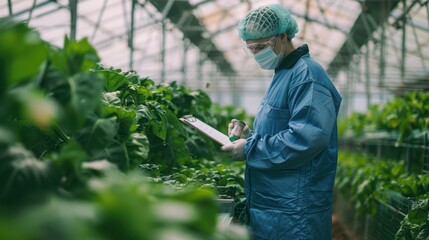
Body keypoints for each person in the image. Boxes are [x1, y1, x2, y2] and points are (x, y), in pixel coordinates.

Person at [221, 3, 342, 240]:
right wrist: (248, 134)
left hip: (295, 211)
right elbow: (281, 128)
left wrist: (250, 148)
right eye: (251, 49)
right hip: (276, 206)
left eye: (261, 47)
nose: (257, 54)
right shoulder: (284, 74)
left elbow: (305, 138)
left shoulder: (306, 76)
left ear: (283, 36)